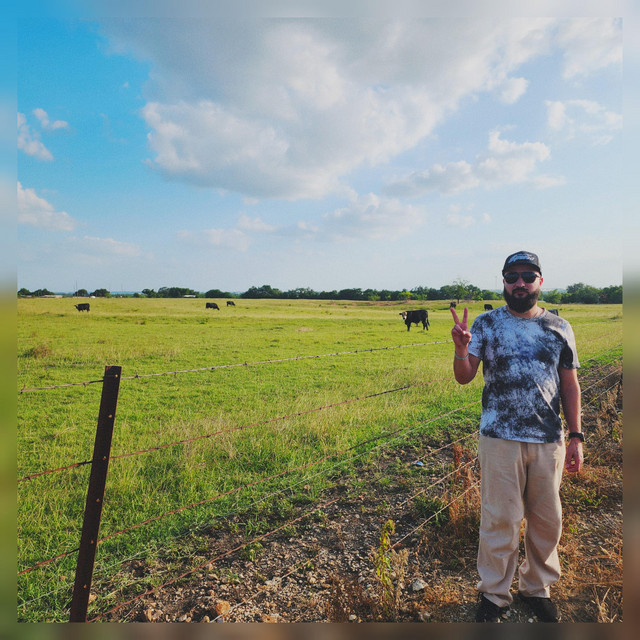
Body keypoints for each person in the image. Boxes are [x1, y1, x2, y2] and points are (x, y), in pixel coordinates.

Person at [450, 251, 583, 623]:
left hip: (548, 439)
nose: (519, 283)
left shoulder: (559, 327)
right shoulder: (487, 323)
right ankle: (494, 594)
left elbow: (570, 385)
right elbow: (464, 376)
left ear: (540, 281)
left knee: (547, 520)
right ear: (504, 281)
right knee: (500, 519)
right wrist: (461, 350)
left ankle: (537, 588)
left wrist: (576, 436)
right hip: (499, 439)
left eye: (527, 276)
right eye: (512, 277)